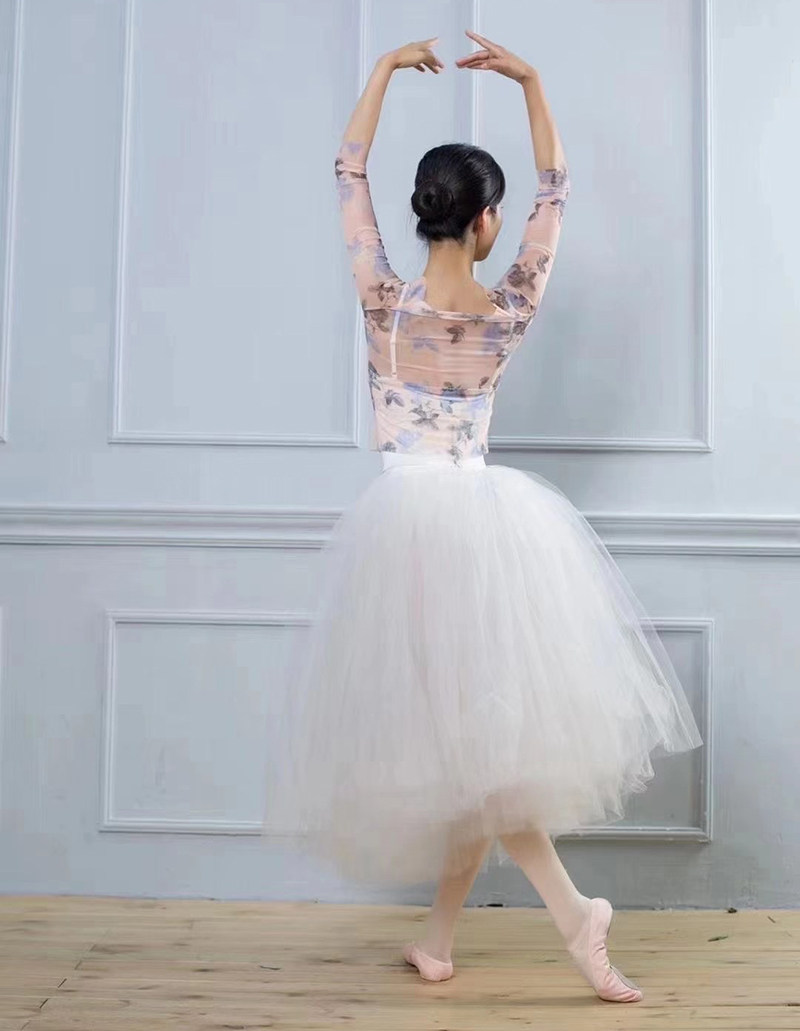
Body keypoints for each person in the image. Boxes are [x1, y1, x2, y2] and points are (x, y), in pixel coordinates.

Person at [264, 31, 703, 1005]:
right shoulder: (508, 310)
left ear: (428, 213)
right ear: (486, 218)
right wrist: (533, 83)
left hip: (405, 535)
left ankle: (550, 917)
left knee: (469, 748)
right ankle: (479, 931)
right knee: (473, 745)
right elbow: (558, 190)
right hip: (483, 531)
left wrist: (381, 70)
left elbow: (347, 171)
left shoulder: (382, 301)